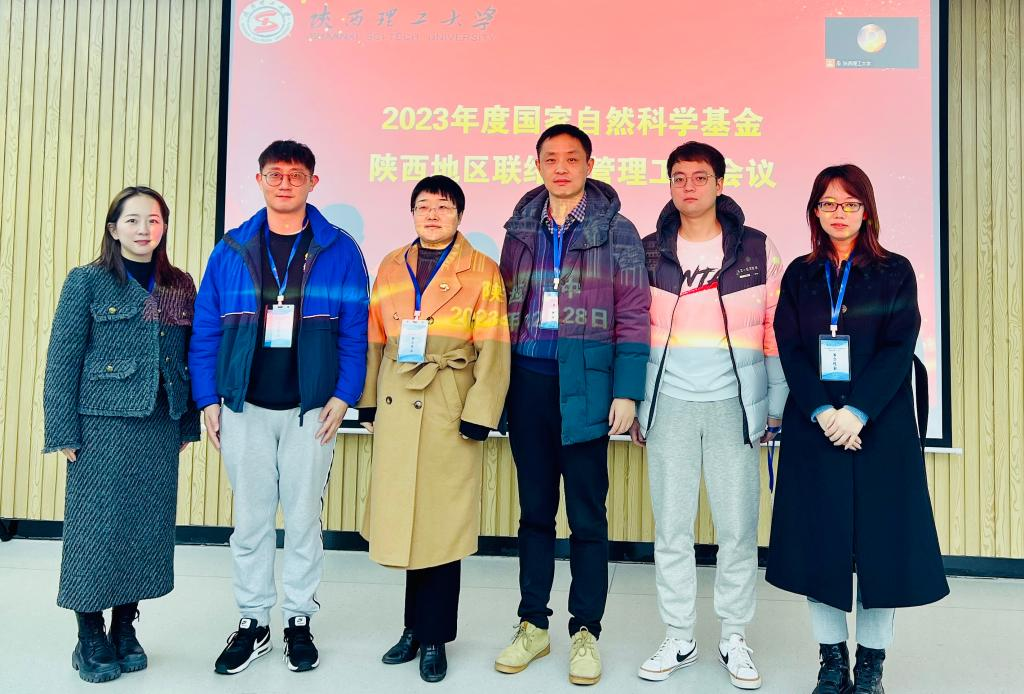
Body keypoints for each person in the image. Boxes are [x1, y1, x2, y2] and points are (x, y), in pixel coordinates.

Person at [766, 164, 949, 693]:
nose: (838, 213)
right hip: (816, 425)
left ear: (866, 210)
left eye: (849, 203)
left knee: (880, 550)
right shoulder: (800, 275)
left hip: (880, 427)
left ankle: (871, 666)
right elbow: (790, 347)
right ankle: (831, 661)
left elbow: (899, 347)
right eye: (828, 204)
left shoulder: (894, 271)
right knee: (819, 546)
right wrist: (824, 412)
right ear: (815, 212)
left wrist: (857, 411)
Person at [189, 140, 369, 675]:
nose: (285, 183)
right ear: (259, 180)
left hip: (310, 411)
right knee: (250, 520)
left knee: (304, 519)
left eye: (296, 175)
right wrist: (208, 398)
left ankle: (297, 619)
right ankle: (253, 621)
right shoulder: (231, 249)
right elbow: (205, 329)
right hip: (243, 406)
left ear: (313, 182)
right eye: (275, 174)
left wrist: (344, 394)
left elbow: (356, 332)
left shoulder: (338, 249)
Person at [494, 124, 651, 686]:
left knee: (587, 516)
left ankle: (586, 630)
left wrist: (627, 391)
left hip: (587, 387)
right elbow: (502, 310)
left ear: (589, 165)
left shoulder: (618, 230)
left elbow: (634, 311)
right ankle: (533, 624)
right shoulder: (520, 229)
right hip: (529, 383)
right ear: (537, 164)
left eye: (572, 159)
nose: (561, 168)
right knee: (534, 513)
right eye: (551, 159)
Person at [630, 142, 787, 689]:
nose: (689, 187)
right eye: (679, 177)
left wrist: (775, 404)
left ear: (720, 184)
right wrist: (637, 401)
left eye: (700, 177)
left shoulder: (756, 248)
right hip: (669, 403)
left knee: (737, 529)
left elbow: (774, 328)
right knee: (671, 528)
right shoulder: (649, 250)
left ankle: (733, 636)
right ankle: (679, 635)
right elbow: (632, 328)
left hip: (733, 407)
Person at [43, 186, 200, 683]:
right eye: (132, 220)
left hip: (158, 424)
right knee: (95, 530)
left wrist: (188, 422)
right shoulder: (87, 281)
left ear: (164, 227)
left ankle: (125, 628)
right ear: (114, 229)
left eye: (153, 220)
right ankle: (89, 635)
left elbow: (186, 355)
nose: (144, 229)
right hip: (100, 426)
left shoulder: (178, 283)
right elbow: (63, 359)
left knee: (142, 529)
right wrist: (62, 430)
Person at [357, 175, 510, 683]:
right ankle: (411, 629)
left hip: (449, 402)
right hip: (399, 402)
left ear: (459, 215)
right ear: (412, 213)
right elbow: (374, 339)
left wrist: (480, 411)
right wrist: (368, 402)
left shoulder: (482, 269)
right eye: (423, 206)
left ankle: (436, 636)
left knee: (441, 525)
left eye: (443, 207)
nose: (432, 215)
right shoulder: (390, 264)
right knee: (407, 519)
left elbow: (494, 346)